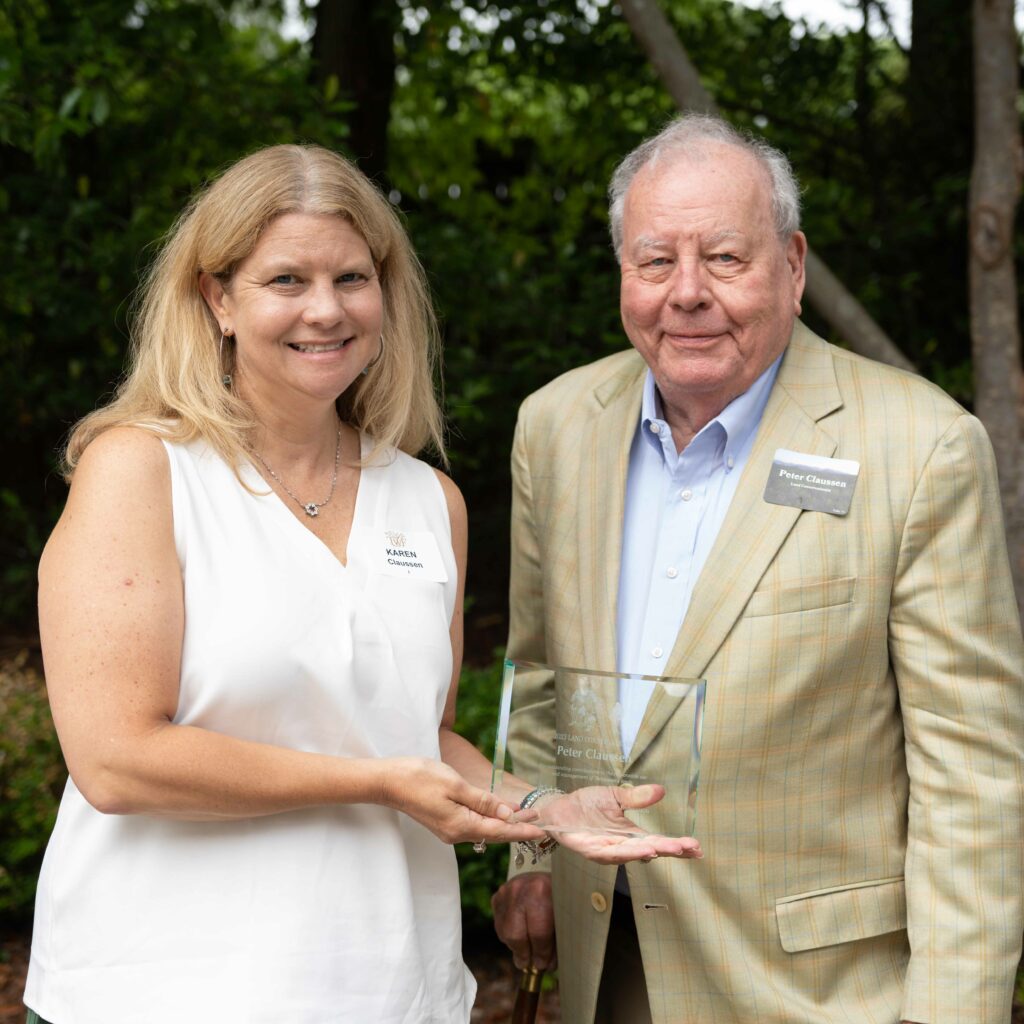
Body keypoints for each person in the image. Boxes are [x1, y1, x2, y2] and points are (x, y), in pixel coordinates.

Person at [24, 144, 701, 1024]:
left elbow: (419, 740)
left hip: (390, 988)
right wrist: (376, 783)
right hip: (164, 986)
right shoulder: (142, 471)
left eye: (352, 277)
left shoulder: (427, 500)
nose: (325, 309)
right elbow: (117, 761)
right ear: (216, 299)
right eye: (285, 281)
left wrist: (541, 807)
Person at [492, 114, 1024, 1024]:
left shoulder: (920, 445)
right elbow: (542, 680)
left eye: (726, 260)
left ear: (794, 265)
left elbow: (971, 778)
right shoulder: (557, 425)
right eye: (655, 261)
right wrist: (536, 856)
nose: (687, 293)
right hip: (603, 968)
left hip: (820, 993)